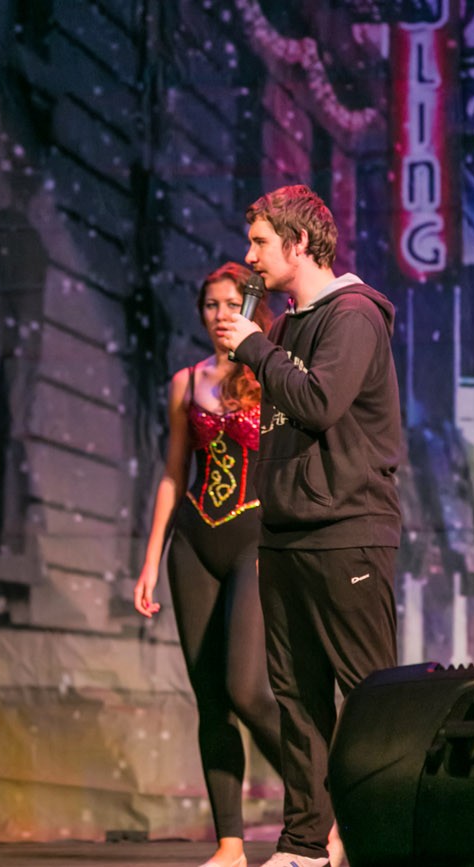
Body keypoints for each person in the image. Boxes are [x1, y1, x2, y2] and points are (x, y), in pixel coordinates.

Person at [216, 185, 402, 867]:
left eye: (261, 242)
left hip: (348, 528)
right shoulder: (288, 327)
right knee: (296, 699)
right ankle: (304, 845)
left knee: (370, 697)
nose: (250, 256)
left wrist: (257, 349)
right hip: (286, 533)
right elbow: (283, 426)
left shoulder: (354, 315)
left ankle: (379, 837)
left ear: (298, 244)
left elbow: (320, 403)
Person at [134, 262, 282, 867]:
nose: (221, 315)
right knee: (210, 699)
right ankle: (230, 844)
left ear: (253, 308)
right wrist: (150, 560)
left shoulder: (271, 376)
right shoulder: (185, 381)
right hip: (194, 541)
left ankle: (325, 798)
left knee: (247, 688)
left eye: (231, 303)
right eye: (211, 305)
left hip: (254, 537)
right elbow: (173, 474)